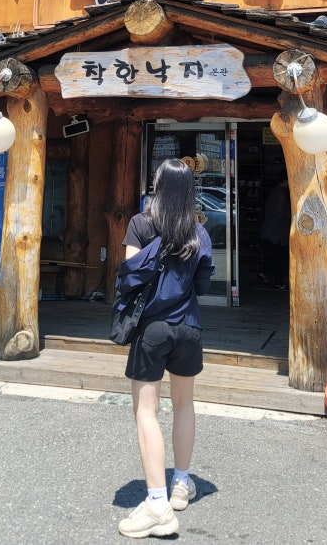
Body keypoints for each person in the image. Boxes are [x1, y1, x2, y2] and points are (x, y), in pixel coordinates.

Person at [116, 158, 215, 539]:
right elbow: (203, 285)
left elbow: (129, 276)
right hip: (189, 328)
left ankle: (157, 503)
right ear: (190, 190)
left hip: (152, 330)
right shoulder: (199, 233)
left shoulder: (140, 224)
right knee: (185, 404)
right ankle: (181, 484)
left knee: (147, 411)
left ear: (157, 186)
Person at [259, 171, 291, 290]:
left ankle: (265, 273)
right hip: (279, 232)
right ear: (285, 180)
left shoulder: (275, 191)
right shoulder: (281, 192)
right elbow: (280, 212)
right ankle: (278, 281)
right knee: (281, 257)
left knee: (274, 255)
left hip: (271, 230)